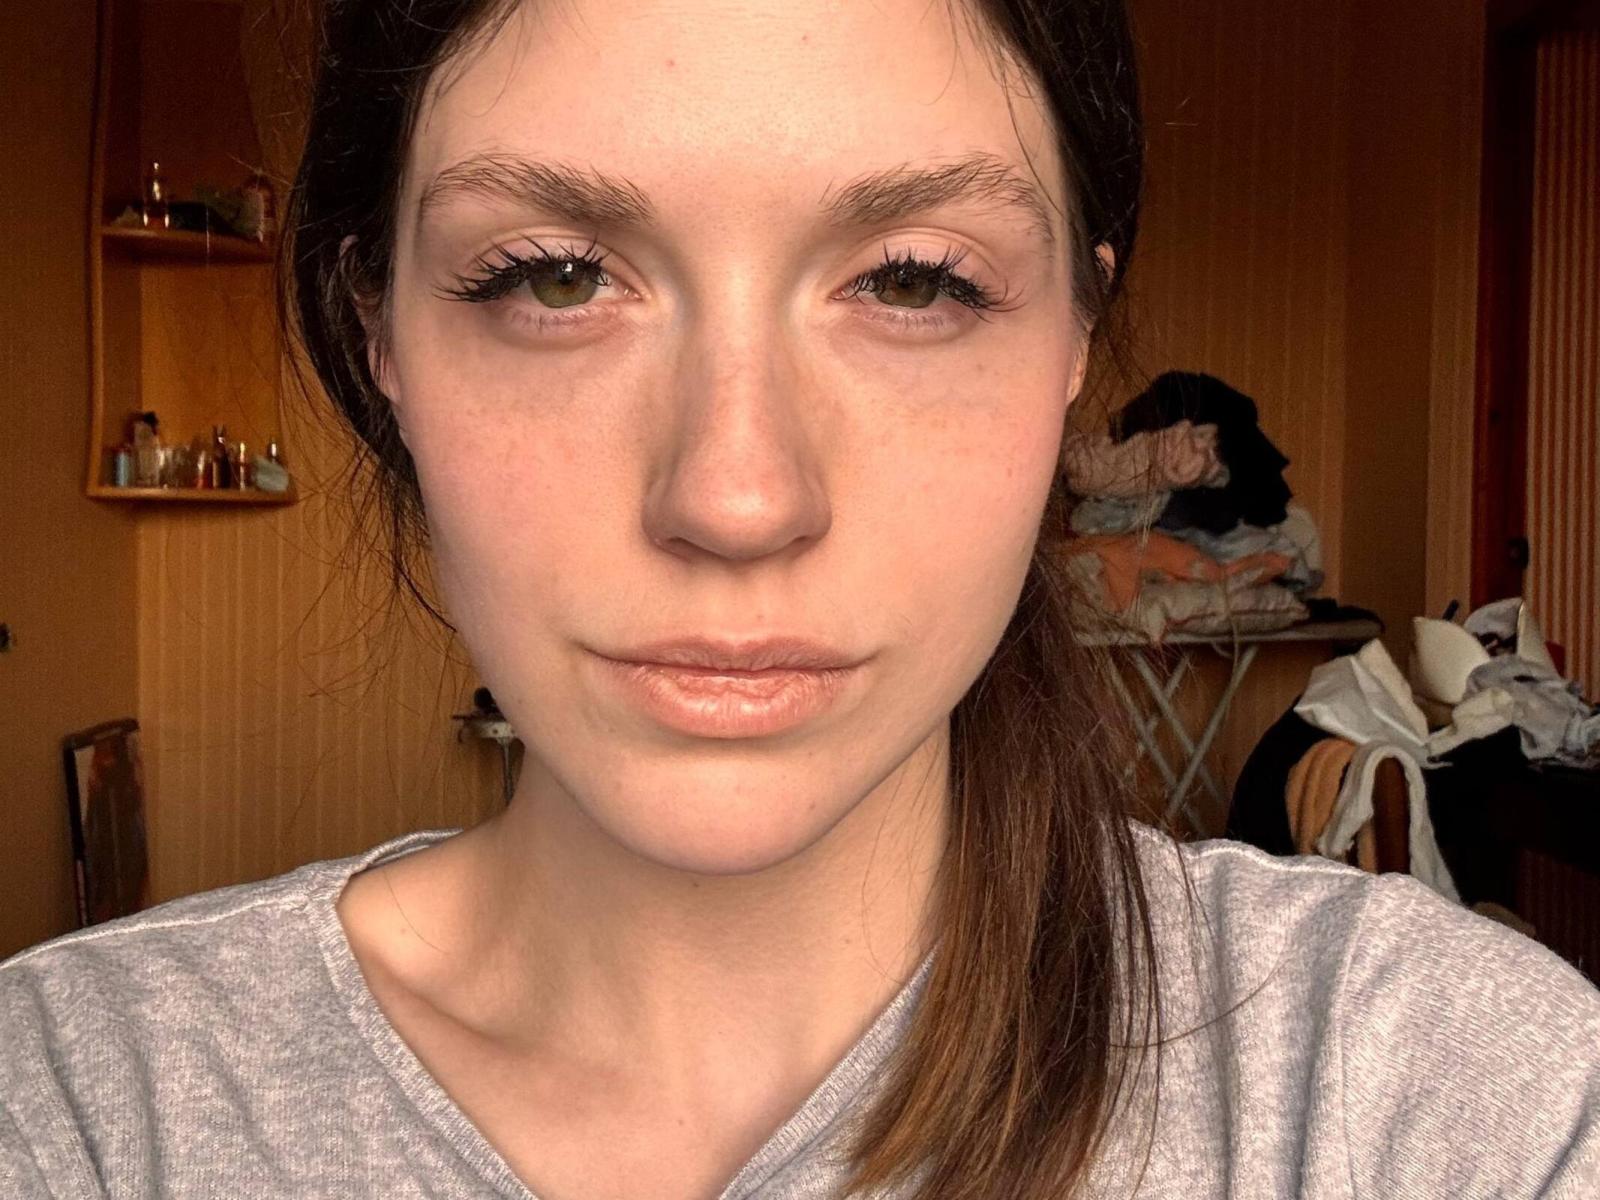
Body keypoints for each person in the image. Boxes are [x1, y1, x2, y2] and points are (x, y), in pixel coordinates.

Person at [4, 1, 1598, 1196]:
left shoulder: (1432, 1099)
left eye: (914, 279)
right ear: (382, 343)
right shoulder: (74, 1110)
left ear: (1068, 350)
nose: (738, 496)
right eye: (557, 274)